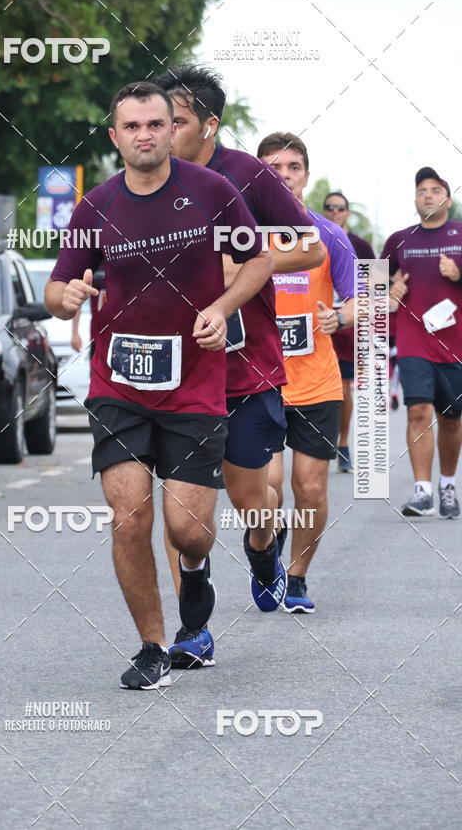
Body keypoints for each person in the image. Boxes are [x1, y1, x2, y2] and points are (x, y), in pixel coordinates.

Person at [45, 81, 273, 689]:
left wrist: (222, 309)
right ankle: (151, 647)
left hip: (194, 384)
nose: (145, 135)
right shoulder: (95, 206)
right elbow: (58, 287)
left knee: (187, 530)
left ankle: (195, 574)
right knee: (127, 518)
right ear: (114, 135)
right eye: (133, 126)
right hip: (116, 382)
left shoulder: (212, 192)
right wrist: (65, 298)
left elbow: (258, 261)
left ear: (173, 130)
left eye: (157, 124)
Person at [155, 65, 325, 668]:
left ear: (207, 124)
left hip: (246, 367)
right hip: (177, 375)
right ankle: (192, 632)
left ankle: (262, 548)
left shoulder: (247, 175)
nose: (163, 134)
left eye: (175, 121)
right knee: (183, 515)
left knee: (253, 498)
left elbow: (310, 246)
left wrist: (241, 270)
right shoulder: (147, 179)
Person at [257, 132, 356, 613]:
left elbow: (363, 296)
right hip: (260, 380)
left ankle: (296, 577)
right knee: (267, 485)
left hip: (317, 381)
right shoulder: (240, 235)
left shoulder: (327, 235)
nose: (284, 176)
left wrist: (340, 316)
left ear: (306, 176)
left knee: (311, 487)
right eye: (273, 168)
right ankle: (267, 544)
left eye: (293, 167)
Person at [381, 167, 462, 519]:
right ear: (415, 200)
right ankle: (422, 491)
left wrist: (459, 275)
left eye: (434, 189)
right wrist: (389, 290)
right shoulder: (400, 240)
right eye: (421, 191)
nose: (427, 195)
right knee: (417, 411)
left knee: (452, 419)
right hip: (414, 340)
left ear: (447, 197)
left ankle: (447, 484)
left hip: (455, 344)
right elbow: (368, 285)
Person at [322, 192, 375, 472]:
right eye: (329, 208)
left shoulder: (361, 246)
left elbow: (375, 290)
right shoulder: (312, 236)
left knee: (342, 388)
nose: (335, 212)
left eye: (340, 208)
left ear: (347, 213)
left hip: (346, 324)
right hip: (315, 320)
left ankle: (342, 444)